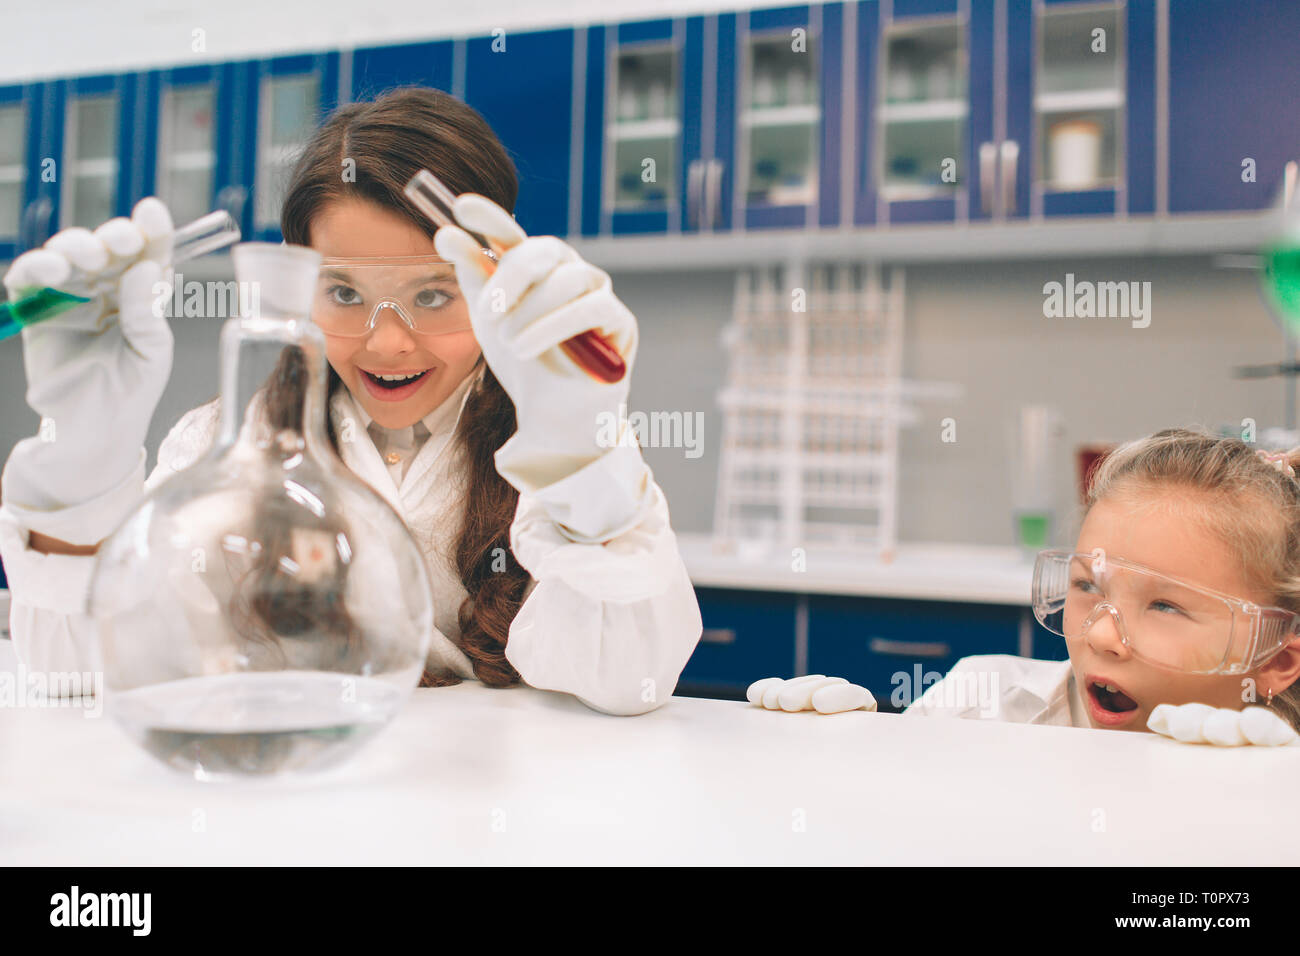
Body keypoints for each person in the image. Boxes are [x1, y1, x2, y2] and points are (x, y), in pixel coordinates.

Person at [0, 86, 703, 716]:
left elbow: (632, 683)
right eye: (344, 294)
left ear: (495, 283)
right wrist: (81, 461)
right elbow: (75, 675)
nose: (388, 344)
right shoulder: (224, 443)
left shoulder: (563, 444)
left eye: (431, 295)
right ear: (293, 278)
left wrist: (584, 457)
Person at [905, 428, 1300, 732]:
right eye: (1087, 587)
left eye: (1164, 606)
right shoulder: (977, 704)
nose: (1101, 636)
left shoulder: (1276, 795)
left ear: (1274, 660)